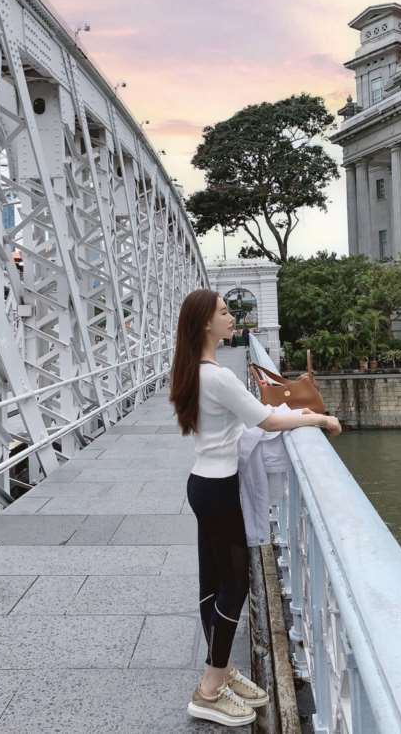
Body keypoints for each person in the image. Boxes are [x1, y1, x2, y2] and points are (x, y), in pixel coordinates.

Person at [170, 289, 342, 728]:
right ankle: (209, 689)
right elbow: (267, 419)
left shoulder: (194, 371)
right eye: (225, 313)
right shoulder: (218, 377)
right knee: (234, 584)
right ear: (206, 324)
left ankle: (222, 670)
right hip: (218, 488)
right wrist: (318, 418)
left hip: (203, 483)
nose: (233, 318)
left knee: (214, 581)